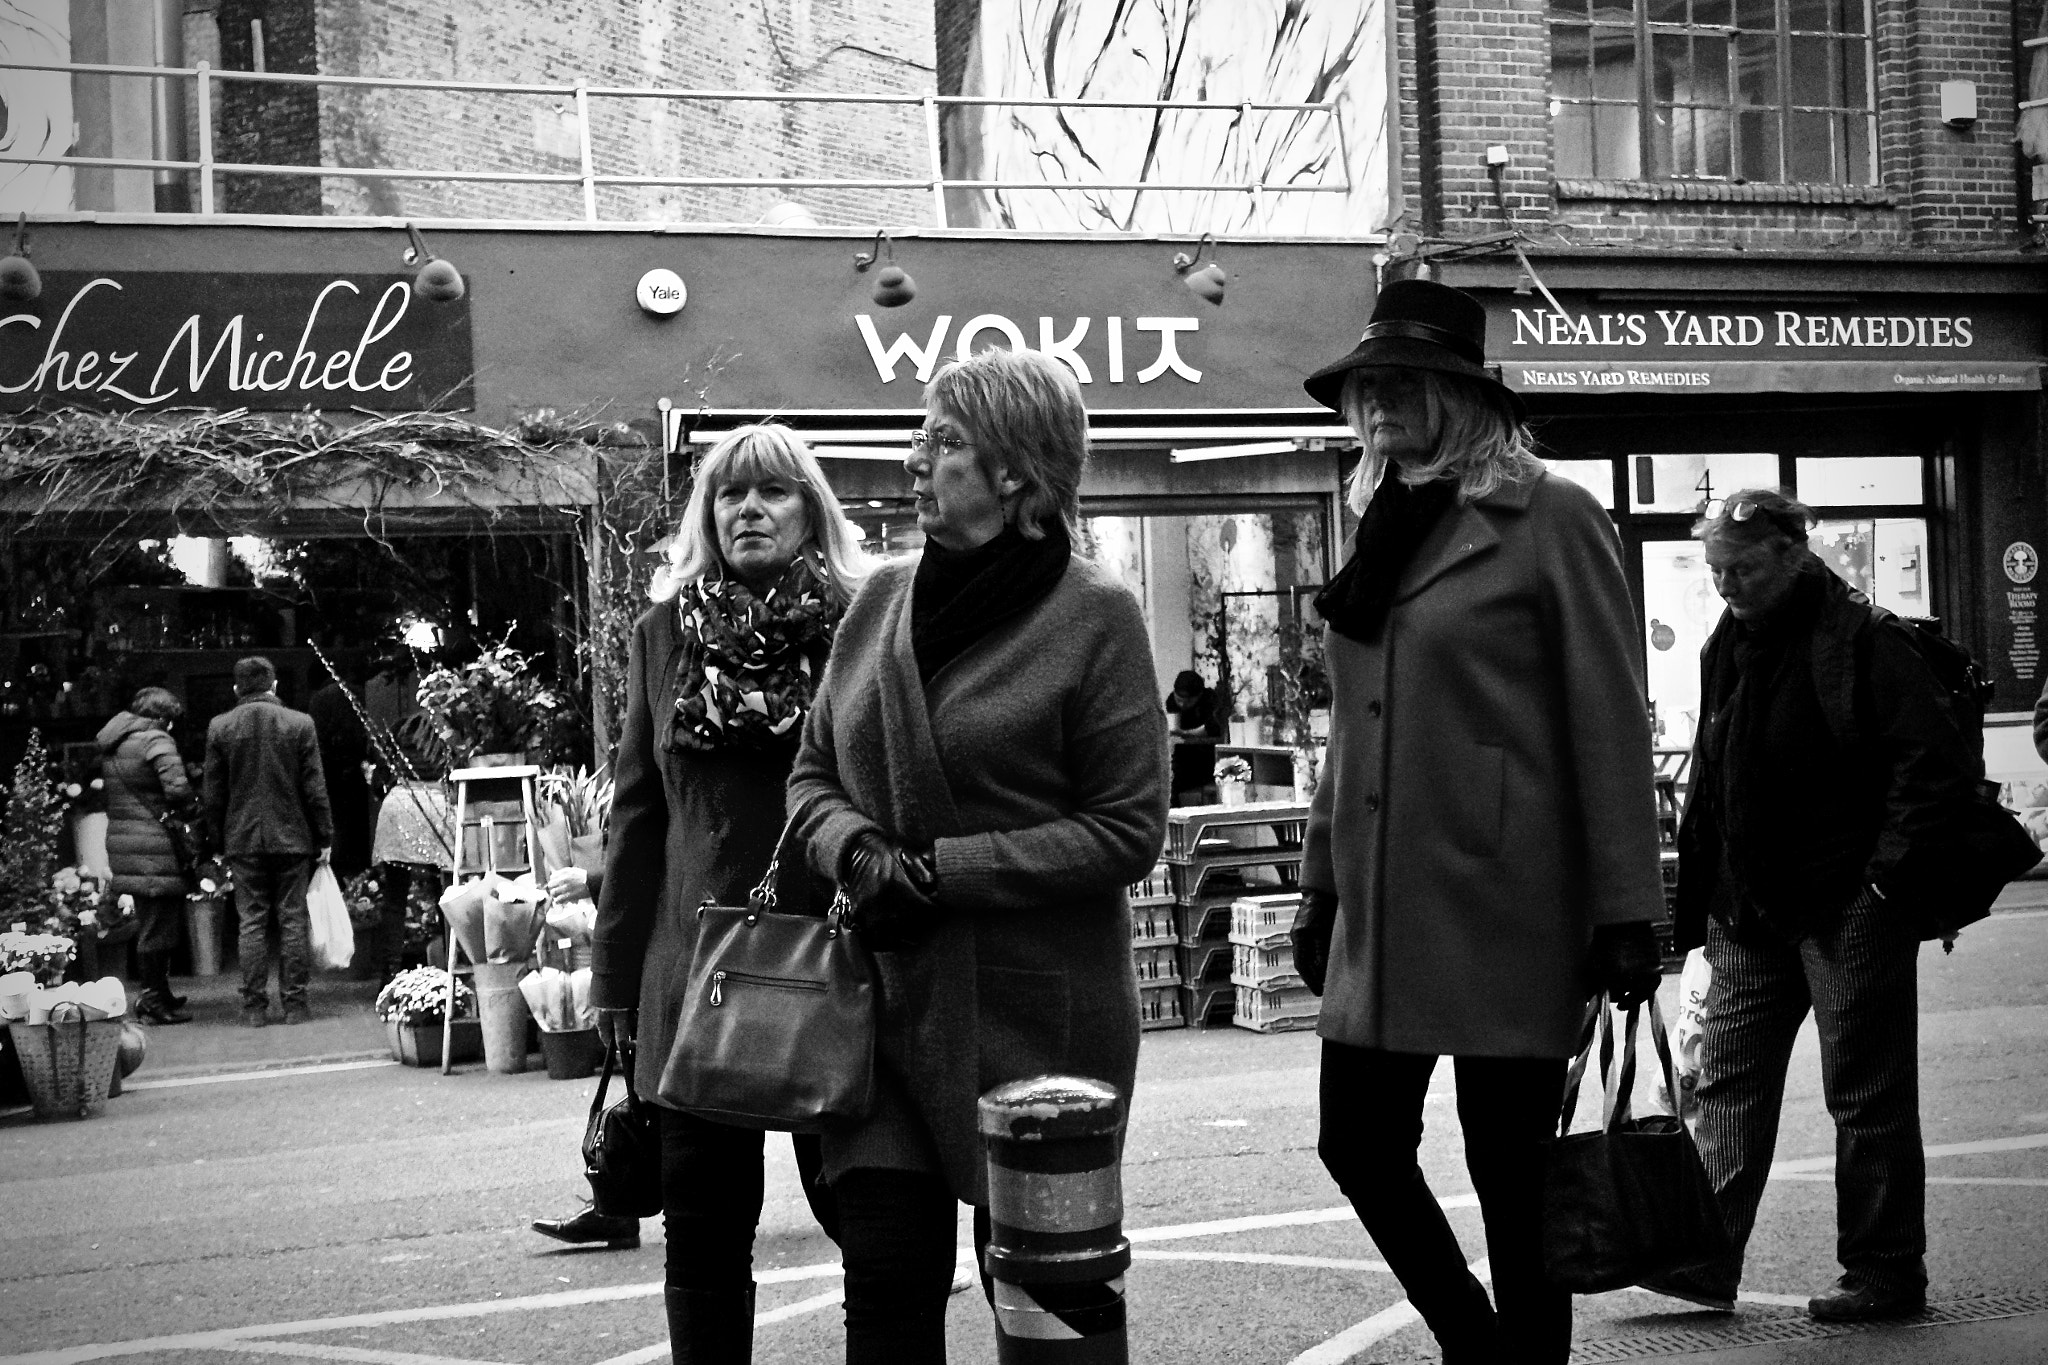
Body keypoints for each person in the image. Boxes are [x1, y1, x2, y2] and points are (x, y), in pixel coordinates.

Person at [1289, 278, 1667, 1365]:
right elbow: (1351, 729)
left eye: (1404, 384)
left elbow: (1606, 721)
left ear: (1464, 399)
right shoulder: (1378, 521)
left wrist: (1626, 912)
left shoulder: (1550, 516)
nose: (1377, 406)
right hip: (1381, 899)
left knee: (1512, 1176)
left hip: (1510, 896)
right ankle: (1476, 1341)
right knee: (1354, 1142)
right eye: (1367, 387)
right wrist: (1318, 886)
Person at [787, 347, 1170, 1364]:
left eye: (943, 439)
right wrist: (859, 854)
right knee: (882, 1280)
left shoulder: (1095, 616)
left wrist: (943, 872)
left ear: (1013, 469)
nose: (913, 458)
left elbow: (1126, 825)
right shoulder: (877, 601)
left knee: (1045, 1303)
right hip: (880, 1007)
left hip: (1037, 1018)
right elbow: (810, 775)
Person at [1650, 489, 1978, 1322]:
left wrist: (1883, 886)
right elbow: (1715, 776)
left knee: (1866, 1095)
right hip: (1753, 911)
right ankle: (1703, 1257)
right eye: (1716, 569)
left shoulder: (1863, 638)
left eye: (1744, 567)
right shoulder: (1729, 639)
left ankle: (1885, 1272)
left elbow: (1931, 769)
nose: (1726, 585)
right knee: (1726, 1082)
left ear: (1795, 551)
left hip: (1845, 905)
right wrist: (1703, 911)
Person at [589, 424, 865, 1359]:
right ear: (706, 515)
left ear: (811, 510)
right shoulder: (662, 635)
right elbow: (637, 819)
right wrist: (614, 979)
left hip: (834, 959)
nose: (749, 508)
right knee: (703, 1232)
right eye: (729, 494)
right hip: (693, 973)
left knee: (870, 1219)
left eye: (773, 492)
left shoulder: (863, 624)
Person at [204, 656, 333, 1028]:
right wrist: (324, 834)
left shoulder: (220, 727)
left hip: (242, 838)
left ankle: (254, 1008)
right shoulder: (300, 724)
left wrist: (216, 840)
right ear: (274, 686)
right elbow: (315, 787)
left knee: (251, 921)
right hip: (293, 837)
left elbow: (213, 793)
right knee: (292, 919)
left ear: (236, 689)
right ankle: (295, 1004)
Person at [98, 686, 198, 1025]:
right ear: (162, 718)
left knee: (152, 921)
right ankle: (153, 1000)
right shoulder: (155, 740)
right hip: (154, 847)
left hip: (127, 843)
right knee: (158, 927)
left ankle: (160, 992)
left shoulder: (116, 742)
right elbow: (177, 789)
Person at [308, 663, 373, 879]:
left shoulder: (319, 700)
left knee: (337, 823)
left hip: (330, 771)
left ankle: (338, 875)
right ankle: (361, 876)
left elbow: (316, 740)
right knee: (358, 824)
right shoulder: (360, 693)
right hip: (357, 770)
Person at [1164, 668, 1225, 804]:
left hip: (1205, 758)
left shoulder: (1210, 700)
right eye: (1179, 700)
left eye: (1189, 701)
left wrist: (1186, 733)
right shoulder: (1172, 702)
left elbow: (1212, 728)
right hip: (1182, 756)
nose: (1183, 704)